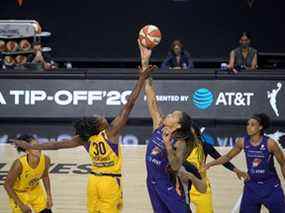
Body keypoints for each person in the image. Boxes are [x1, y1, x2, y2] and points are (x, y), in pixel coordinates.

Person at [12, 51, 156, 213]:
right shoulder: (111, 132)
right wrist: (141, 79)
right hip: (109, 182)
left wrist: (29, 146)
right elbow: (129, 104)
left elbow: (56, 145)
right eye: (99, 117)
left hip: (93, 181)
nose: (102, 116)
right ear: (98, 125)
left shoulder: (84, 139)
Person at [141, 41, 206, 213]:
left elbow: (176, 166)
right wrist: (145, 61)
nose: (167, 115)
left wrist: (168, 147)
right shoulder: (158, 124)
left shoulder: (180, 142)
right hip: (151, 181)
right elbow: (150, 93)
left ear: (177, 125)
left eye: (172, 115)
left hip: (166, 182)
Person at [205, 113, 285, 213]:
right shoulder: (242, 141)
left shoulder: (270, 143)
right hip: (251, 186)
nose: (248, 127)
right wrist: (210, 164)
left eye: (252, 124)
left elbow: (283, 163)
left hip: (270, 186)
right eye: (248, 124)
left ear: (260, 127)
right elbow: (227, 157)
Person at [186, 123, 248, 213]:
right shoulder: (180, 146)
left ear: (196, 133)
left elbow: (222, 159)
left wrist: (236, 170)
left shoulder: (205, 146)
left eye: (190, 132)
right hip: (183, 185)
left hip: (201, 185)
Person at [4, 135, 53, 213]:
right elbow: (7, 185)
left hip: (35, 190)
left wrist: (49, 196)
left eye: (38, 145)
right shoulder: (19, 164)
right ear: (27, 151)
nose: (38, 148)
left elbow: (45, 176)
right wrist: (21, 205)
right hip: (19, 194)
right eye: (34, 146)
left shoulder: (46, 159)